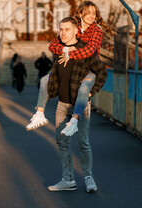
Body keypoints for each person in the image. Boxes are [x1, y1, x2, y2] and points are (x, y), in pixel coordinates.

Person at [26, 1, 116, 136]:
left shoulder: (96, 31)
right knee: (45, 80)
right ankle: (39, 114)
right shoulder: (73, 26)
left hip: (89, 67)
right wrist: (66, 48)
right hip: (72, 67)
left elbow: (90, 51)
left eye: (94, 13)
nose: (92, 16)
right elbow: (53, 46)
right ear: (80, 13)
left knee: (85, 87)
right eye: (88, 12)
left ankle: (74, 122)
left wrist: (69, 55)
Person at [45, 17, 107, 192]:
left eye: (66, 29)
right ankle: (68, 180)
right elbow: (55, 73)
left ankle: (88, 178)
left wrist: (91, 92)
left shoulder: (86, 51)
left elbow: (101, 72)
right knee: (62, 142)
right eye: (60, 29)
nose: (62, 33)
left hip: (80, 106)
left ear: (75, 31)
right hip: (62, 104)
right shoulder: (59, 50)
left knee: (83, 142)